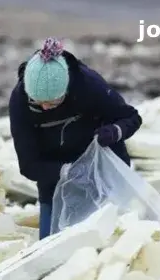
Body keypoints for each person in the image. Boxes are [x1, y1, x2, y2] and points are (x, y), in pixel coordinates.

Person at [8, 37, 143, 240]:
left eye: (52, 102)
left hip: (103, 176)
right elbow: (28, 165)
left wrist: (115, 131)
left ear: (66, 90)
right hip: (54, 181)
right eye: (38, 102)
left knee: (108, 239)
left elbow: (132, 117)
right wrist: (67, 172)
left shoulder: (88, 85)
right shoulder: (20, 102)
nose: (45, 107)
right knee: (51, 244)